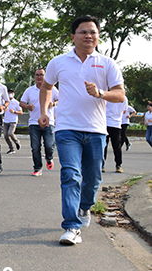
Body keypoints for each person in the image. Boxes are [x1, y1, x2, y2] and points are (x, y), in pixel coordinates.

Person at [39, 15, 125, 246]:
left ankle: (85, 207)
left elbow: (120, 95)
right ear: (73, 36)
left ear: (98, 37)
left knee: (93, 178)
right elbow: (47, 87)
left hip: (96, 130)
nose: (88, 35)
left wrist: (100, 93)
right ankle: (71, 226)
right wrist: (44, 111)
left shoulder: (107, 64)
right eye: (83, 32)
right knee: (70, 175)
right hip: (67, 128)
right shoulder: (59, 62)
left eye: (93, 32)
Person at [20, 68, 59, 176]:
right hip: (34, 122)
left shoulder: (52, 89)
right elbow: (21, 102)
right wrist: (27, 106)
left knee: (49, 145)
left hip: (48, 121)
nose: (39, 77)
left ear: (45, 76)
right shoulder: (29, 90)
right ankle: (37, 168)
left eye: (41, 75)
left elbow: (60, 99)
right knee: (35, 147)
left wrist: (54, 104)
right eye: (37, 75)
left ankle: (49, 158)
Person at [104, 100, 126, 173]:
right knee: (117, 146)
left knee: (104, 145)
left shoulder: (107, 96)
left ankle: (102, 165)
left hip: (106, 123)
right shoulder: (124, 98)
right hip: (116, 124)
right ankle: (118, 165)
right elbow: (124, 111)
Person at [3, 89, 22, 155]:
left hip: (13, 121)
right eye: (9, 92)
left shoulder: (16, 102)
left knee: (10, 133)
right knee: (5, 135)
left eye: (11, 93)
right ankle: (11, 148)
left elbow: (21, 112)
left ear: (13, 94)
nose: (10, 94)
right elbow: (2, 110)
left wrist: (14, 111)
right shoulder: (5, 102)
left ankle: (16, 141)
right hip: (6, 120)